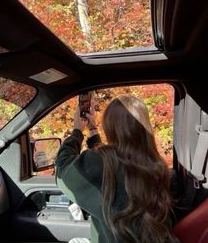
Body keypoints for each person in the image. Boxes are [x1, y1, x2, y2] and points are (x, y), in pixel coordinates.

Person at [55, 95, 179, 243]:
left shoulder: (101, 162)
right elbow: (115, 158)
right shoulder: (157, 166)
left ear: (110, 126)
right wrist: (92, 129)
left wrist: (77, 130)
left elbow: (63, 170)